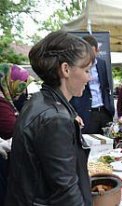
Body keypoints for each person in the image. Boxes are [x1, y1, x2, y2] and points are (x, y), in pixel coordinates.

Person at [5, 31, 95, 206]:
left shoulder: (41, 101)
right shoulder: (55, 118)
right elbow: (65, 191)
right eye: (86, 70)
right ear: (66, 69)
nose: (89, 77)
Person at [0, 63, 32, 205]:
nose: (22, 90)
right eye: (20, 85)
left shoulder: (6, 99)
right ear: (10, 81)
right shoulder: (1, 103)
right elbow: (12, 129)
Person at [70, 35, 115, 134]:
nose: (91, 56)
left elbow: (106, 86)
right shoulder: (76, 66)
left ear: (97, 50)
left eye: (93, 52)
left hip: (104, 110)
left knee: (108, 141)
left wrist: (110, 106)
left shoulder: (102, 63)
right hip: (87, 112)